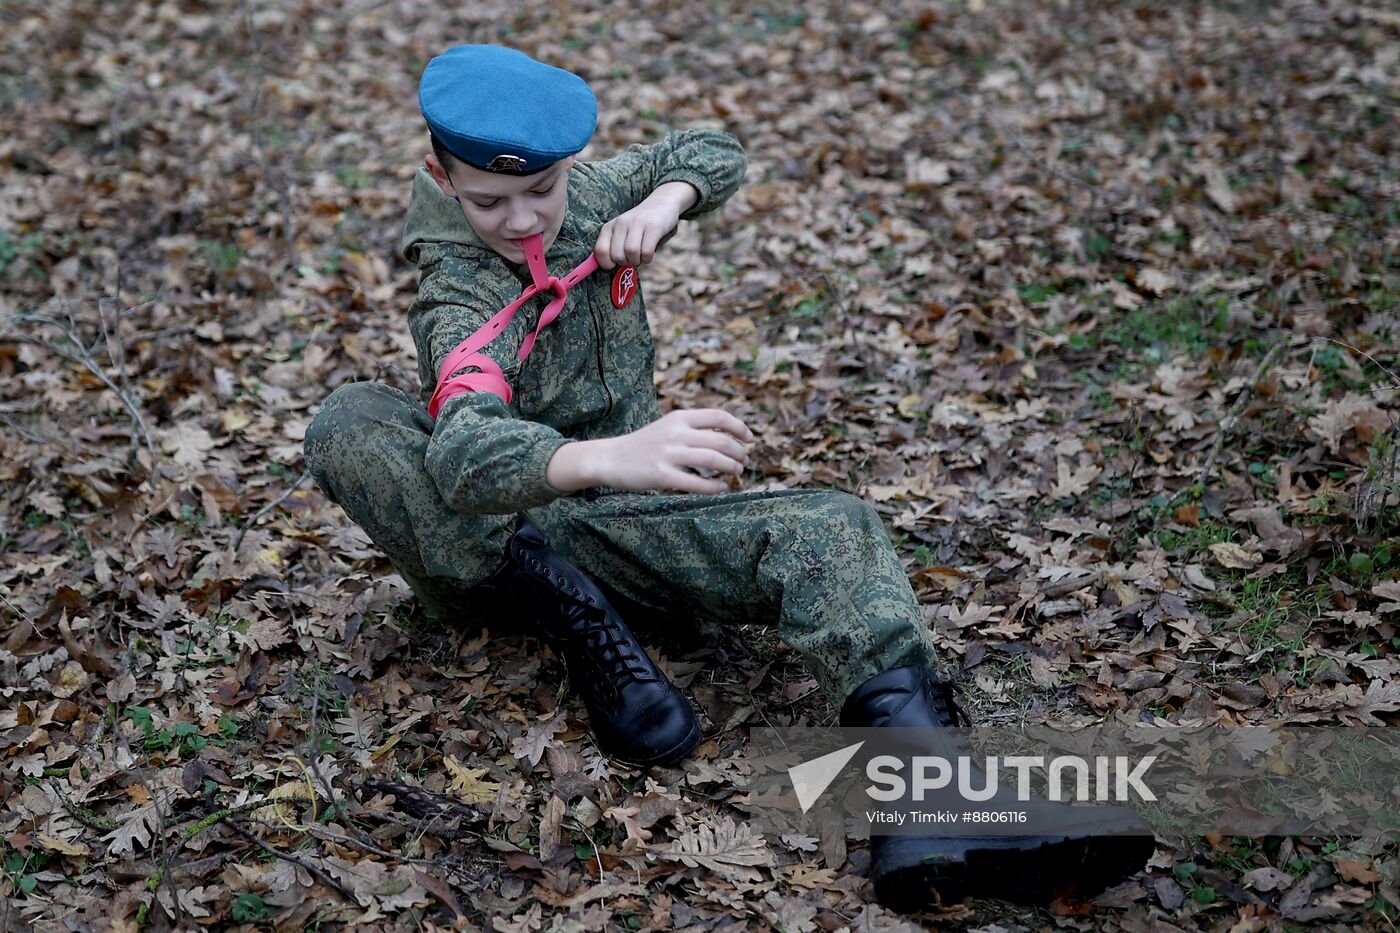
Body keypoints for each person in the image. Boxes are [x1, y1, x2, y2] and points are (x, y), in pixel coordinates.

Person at [304, 43, 1152, 912]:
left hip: (623, 524)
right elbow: (464, 449)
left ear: (568, 167)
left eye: (542, 189)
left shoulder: (590, 194)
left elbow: (710, 148)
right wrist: (607, 455)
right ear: (441, 179)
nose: (523, 220)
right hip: (507, 539)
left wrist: (668, 200)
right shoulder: (459, 292)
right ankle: (561, 604)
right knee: (353, 417)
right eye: (487, 200)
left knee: (832, 524)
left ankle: (930, 801)